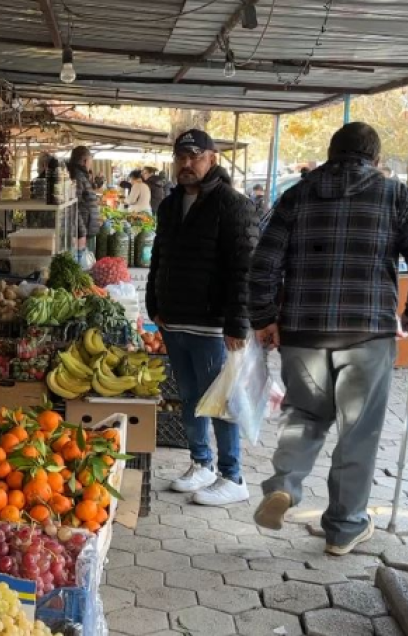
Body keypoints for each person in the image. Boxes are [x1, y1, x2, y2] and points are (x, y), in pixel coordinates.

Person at [249, 122, 408, 555]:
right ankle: (344, 528)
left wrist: (264, 317)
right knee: (359, 432)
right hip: (367, 335)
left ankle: (283, 485)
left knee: (305, 415)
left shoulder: (296, 195)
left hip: (303, 332)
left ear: (330, 153)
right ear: (375, 159)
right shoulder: (396, 196)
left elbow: (263, 263)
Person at [146, 129, 259, 506]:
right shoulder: (169, 204)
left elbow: (244, 268)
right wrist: (153, 302)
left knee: (222, 401)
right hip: (176, 320)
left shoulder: (233, 205)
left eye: (195, 156)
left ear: (212, 158)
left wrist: (237, 323)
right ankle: (202, 464)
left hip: (212, 326)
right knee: (191, 397)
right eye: (181, 157)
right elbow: (159, 256)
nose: (187, 164)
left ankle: (233, 475)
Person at [68, 146, 101, 254]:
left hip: (86, 228)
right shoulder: (77, 176)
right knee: (81, 264)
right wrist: (81, 232)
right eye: (90, 161)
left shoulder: (81, 175)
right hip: (82, 232)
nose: (90, 165)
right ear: (85, 161)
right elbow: (73, 206)